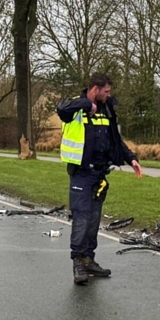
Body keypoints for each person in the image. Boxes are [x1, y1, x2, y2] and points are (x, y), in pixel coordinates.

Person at [57, 73, 143, 285]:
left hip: (99, 174)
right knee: (82, 218)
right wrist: (86, 105)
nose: (109, 94)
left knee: (94, 220)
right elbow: (62, 109)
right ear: (95, 89)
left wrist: (131, 159)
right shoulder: (75, 108)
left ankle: (89, 259)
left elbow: (116, 140)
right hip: (81, 173)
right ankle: (78, 261)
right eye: (106, 91)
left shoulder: (107, 109)